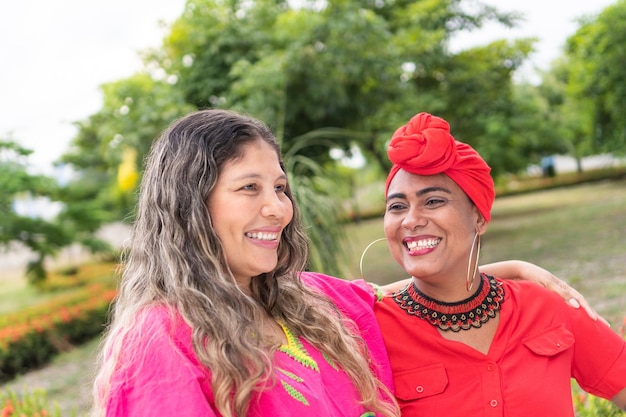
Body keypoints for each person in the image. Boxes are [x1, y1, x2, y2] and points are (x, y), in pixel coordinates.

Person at [91, 109, 592, 417]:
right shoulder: (162, 340)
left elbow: (392, 294)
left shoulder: (301, 300)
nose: (278, 208)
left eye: (280, 188)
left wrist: (508, 269)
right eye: (250, 188)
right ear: (190, 204)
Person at [373, 112, 626, 416]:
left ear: (478, 217)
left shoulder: (547, 305)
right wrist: (516, 266)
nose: (411, 220)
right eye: (397, 206)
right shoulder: (369, 327)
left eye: (433, 201)